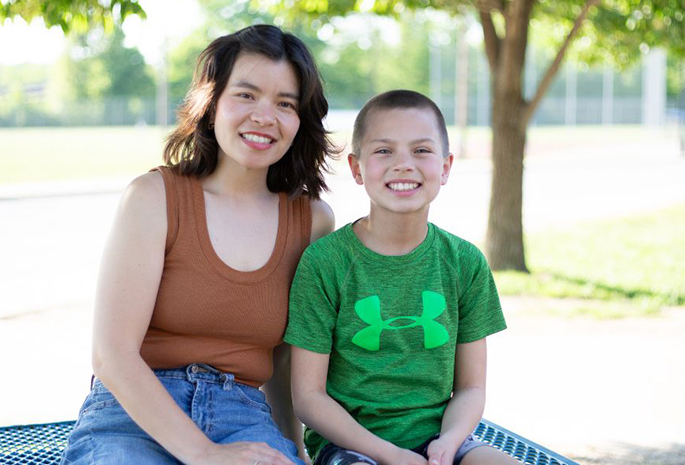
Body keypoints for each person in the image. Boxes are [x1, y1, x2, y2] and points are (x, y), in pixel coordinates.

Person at [60, 24, 336, 465]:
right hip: (132, 415)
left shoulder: (312, 223)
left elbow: (284, 366)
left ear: (300, 120)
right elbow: (112, 354)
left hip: (243, 416)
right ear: (211, 105)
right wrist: (203, 453)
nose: (265, 116)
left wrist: (295, 452)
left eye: (285, 103)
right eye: (246, 95)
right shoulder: (154, 198)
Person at [284, 90, 520, 465]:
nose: (404, 164)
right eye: (383, 151)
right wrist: (390, 455)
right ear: (357, 168)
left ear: (445, 167)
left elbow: (471, 388)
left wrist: (449, 441)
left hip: (442, 437)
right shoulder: (325, 262)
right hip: (351, 447)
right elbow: (308, 398)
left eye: (421, 151)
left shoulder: (465, 262)